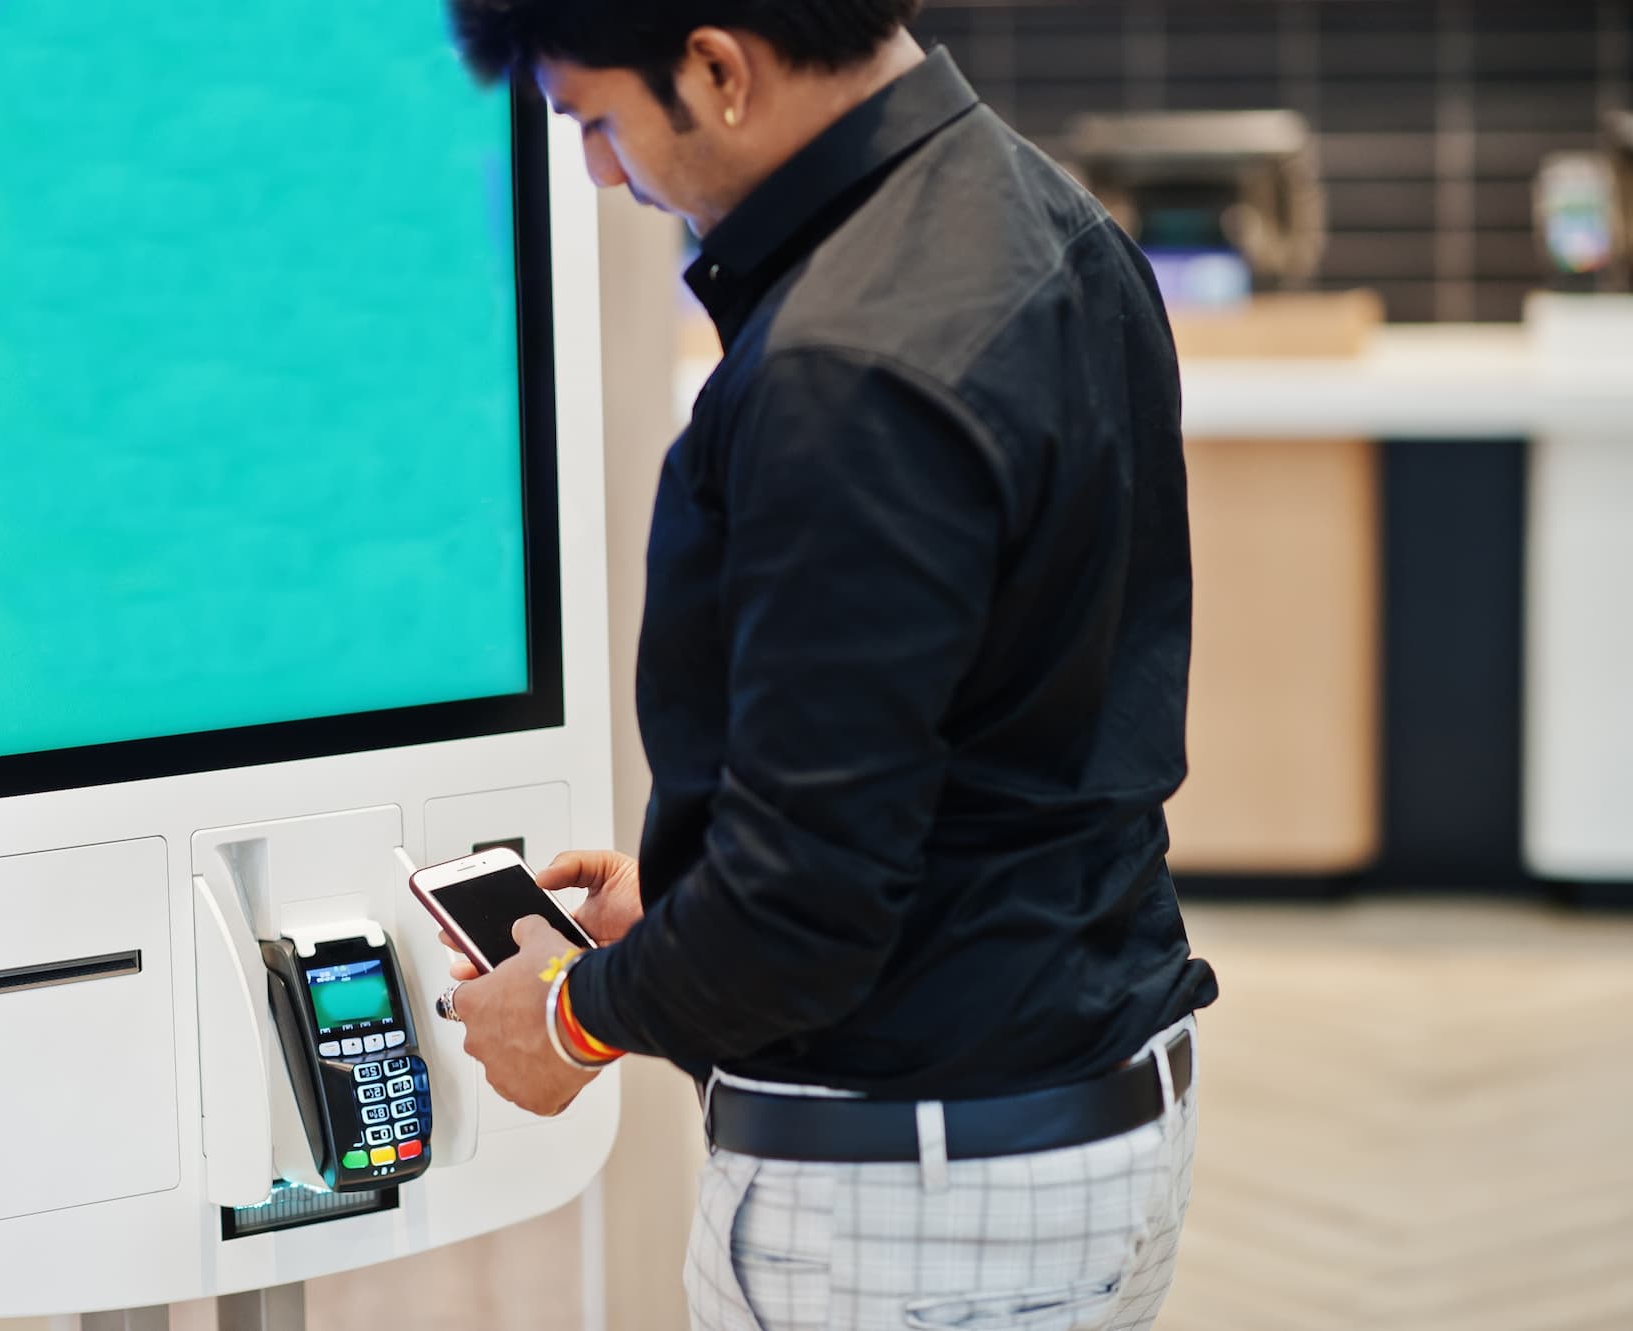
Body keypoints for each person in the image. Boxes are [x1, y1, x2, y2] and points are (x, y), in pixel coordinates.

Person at [439, 4, 1220, 1328]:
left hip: (915, 1201)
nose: (604, 174)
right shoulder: (1051, 219)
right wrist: (695, 891)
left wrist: (574, 1017)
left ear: (718, 69)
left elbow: (808, 914)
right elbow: (998, 733)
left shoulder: (845, 368)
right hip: (1080, 1112)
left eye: (598, 121)